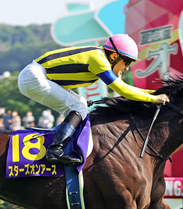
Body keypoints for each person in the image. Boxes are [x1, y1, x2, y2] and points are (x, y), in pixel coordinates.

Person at [17, 34, 169, 165]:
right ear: (115, 56)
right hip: (34, 77)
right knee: (78, 106)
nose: (127, 68)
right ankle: (55, 150)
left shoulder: (101, 57)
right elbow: (122, 89)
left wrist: (154, 93)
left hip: (35, 76)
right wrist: (152, 99)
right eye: (127, 62)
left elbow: (123, 86)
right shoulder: (99, 60)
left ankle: (60, 146)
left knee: (81, 104)